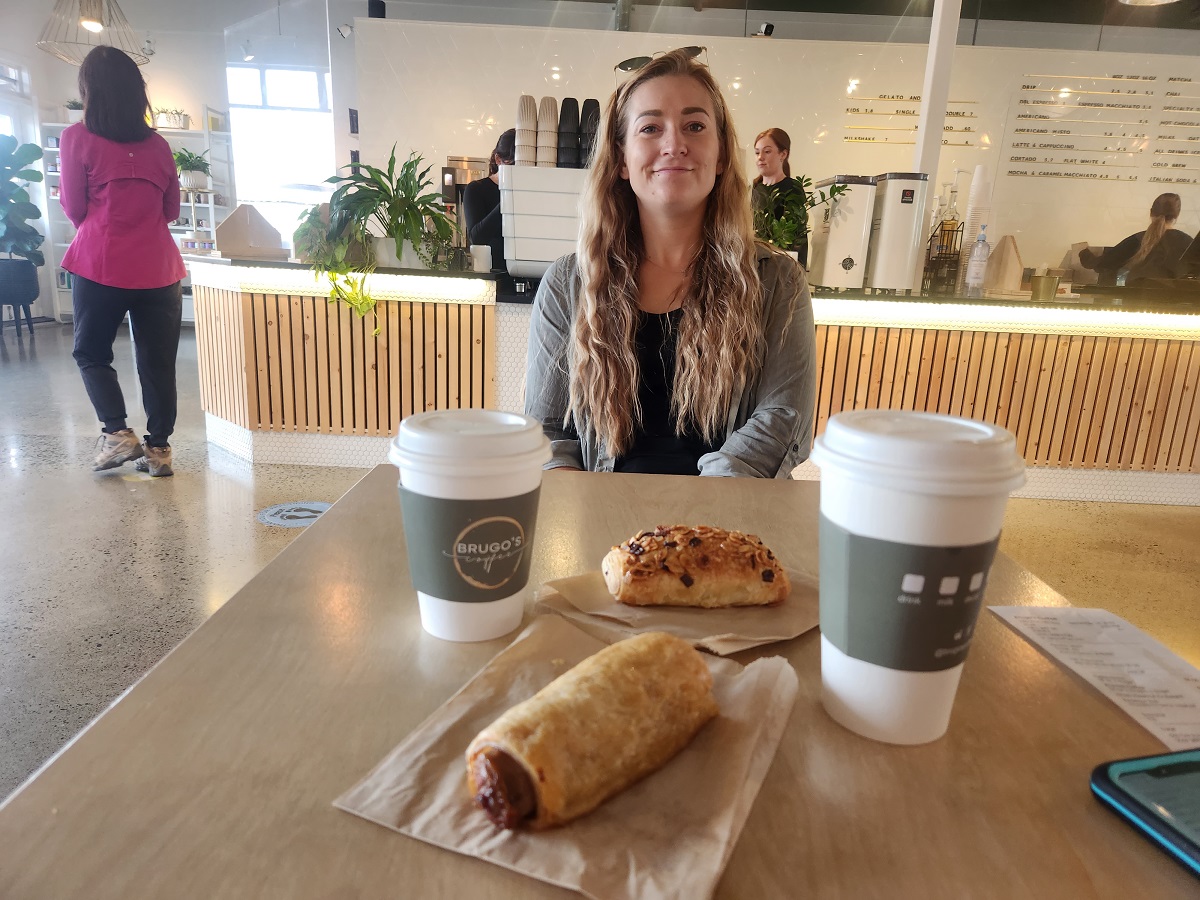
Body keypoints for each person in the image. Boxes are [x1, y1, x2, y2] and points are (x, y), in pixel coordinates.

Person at [524, 49, 816, 478]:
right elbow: (547, 431)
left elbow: (782, 421)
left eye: (695, 126)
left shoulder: (777, 280)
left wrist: (692, 532)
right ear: (622, 159)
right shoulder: (568, 282)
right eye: (650, 127)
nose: (674, 144)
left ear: (719, 157)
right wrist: (578, 510)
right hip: (601, 526)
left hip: (727, 524)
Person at [60, 46, 186, 477]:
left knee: (91, 352)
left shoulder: (76, 138)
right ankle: (160, 451)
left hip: (101, 264)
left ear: (90, 91)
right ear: (138, 92)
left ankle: (117, 434)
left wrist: (104, 223)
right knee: (158, 361)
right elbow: (171, 210)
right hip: (158, 268)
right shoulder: (159, 145)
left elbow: (74, 206)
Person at [1079, 193, 1192, 286]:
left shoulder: (1137, 239)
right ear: (1176, 216)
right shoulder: (1187, 243)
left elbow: (1104, 264)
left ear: (1151, 212)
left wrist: (1084, 254)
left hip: (1136, 301)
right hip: (1175, 305)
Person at [751, 127, 809, 268]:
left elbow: (794, 236)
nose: (760, 157)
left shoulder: (792, 188)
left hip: (783, 265)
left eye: (767, 151)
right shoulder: (755, 189)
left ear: (783, 154)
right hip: (755, 262)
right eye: (757, 152)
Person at [462, 128, 516, 274]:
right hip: (492, 274)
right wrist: (509, 197)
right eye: (513, 166)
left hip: (526, 275)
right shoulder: (476, 189)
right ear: (498, 159)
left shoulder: (528, 192)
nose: (518, 173)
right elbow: (477, 238)